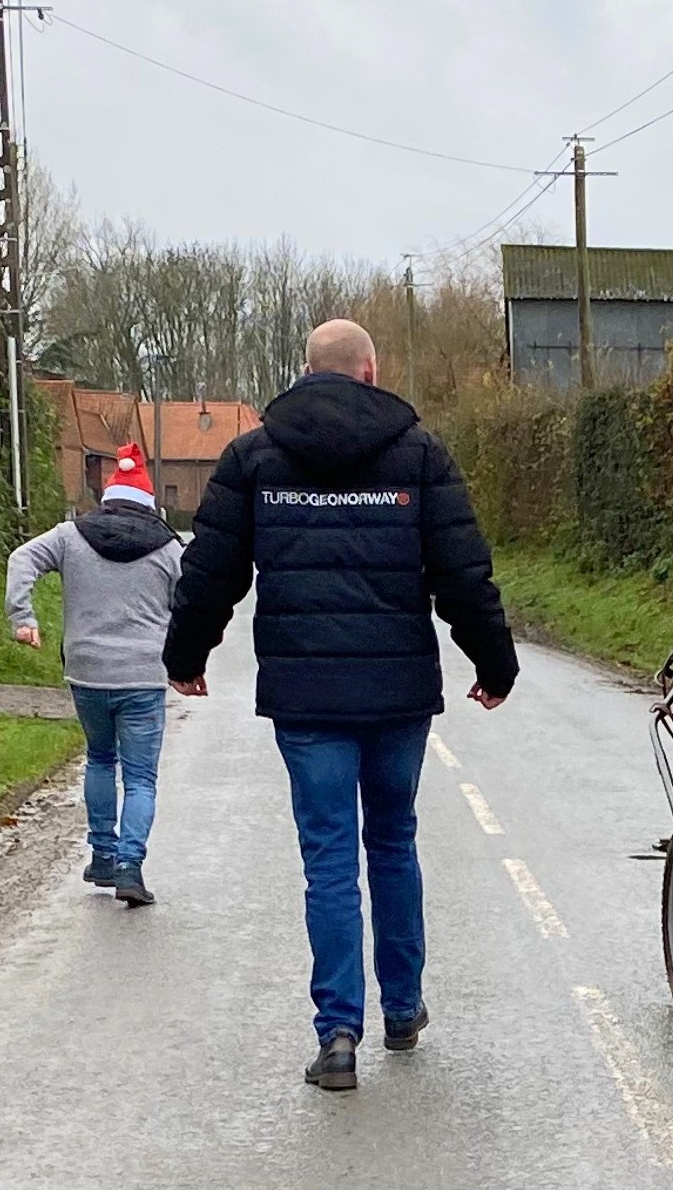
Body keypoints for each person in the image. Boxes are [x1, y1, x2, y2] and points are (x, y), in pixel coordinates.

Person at [164, 319, 519, 1093]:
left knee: (328, 855)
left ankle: (337, 1036)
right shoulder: (418, 453)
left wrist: (186, 655)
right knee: (392, 839)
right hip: (397, 695)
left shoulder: (255, 455)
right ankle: (403, 1003)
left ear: (305, 372)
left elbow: (211, 568)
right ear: (370, 369)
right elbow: (464, 569)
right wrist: (495, 662)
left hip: (308, 696)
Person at [6, 441, 185, 908]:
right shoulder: (169, 548)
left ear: (107, 496)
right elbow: (189, 607)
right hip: (144, 675)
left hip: (86, 673)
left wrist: (23, 617)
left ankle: (102, 855)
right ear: (150, 501)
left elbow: (21, 558)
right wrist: (188, 663)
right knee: (141, 777)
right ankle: (130, 864)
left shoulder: (69, 537)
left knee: (100, 759)